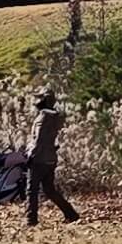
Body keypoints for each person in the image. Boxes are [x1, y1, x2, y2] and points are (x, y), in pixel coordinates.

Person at [24, 90, 77, 226]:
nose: (36, 102)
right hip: (50, 158)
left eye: (39, 99)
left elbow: (39, 140)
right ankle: (71, 214)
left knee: (31, 190)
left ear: (44, 101)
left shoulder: (43, 117)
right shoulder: (55, 117)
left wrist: (30, 155)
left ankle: (31, 220)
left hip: (39, 159)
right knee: (49, 190)